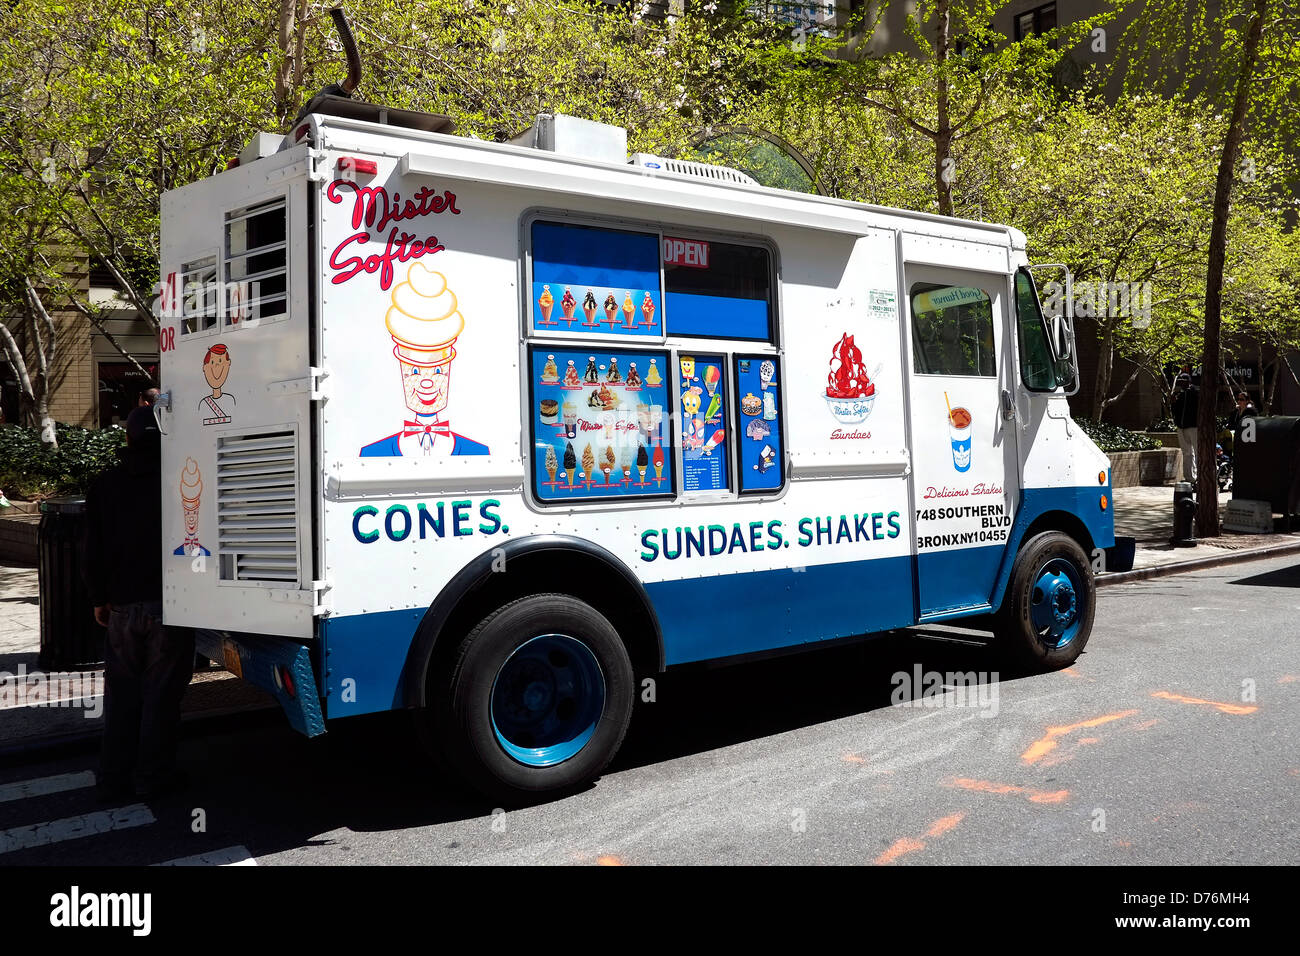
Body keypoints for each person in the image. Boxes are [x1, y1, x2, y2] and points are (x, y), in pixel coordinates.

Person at [85, 406, 193, 800]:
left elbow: (91, 549)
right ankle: (154, 777)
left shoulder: (105, 484)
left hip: (122, 606)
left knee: (122, 696)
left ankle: (114, 778)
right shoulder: (179, 482)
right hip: (171, 604)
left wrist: (99, 598)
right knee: (162, 697)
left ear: (127, 438)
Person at [1171, 371, 1199, 482]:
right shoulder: (1181, 394)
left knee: (1197, 452)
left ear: (1188, 381)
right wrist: (1173, 403)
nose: (1181, 383)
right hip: (1181, 427)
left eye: (1183, 381)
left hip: (1193, 427)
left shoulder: (1195, 392)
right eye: (1180, 381)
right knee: (1187, 453)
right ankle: (1189, 478)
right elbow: (1176, 411)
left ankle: (1199, 477)